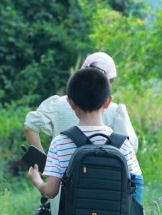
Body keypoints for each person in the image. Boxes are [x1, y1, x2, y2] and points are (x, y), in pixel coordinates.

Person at [27, 67, 144, 212]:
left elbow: (51, 191)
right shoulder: (123, 144)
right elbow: (137, 186)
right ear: (108, 102)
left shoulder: (60, 142)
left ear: (71, 103)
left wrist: (36, 180)